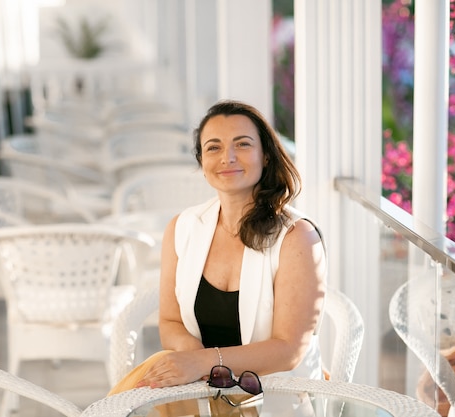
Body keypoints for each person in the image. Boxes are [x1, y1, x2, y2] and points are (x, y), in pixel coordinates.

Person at [109, 99, 326, 395]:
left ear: (265, 156)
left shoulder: (297, 237)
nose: (228, 157)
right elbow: (170, 322)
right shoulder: (182, 227)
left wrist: (203, 363)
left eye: (243, 144)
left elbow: (288, 351)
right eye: (214, 147)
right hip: (200, 393)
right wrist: (195, 368)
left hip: (276, 396)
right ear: (201, 161)